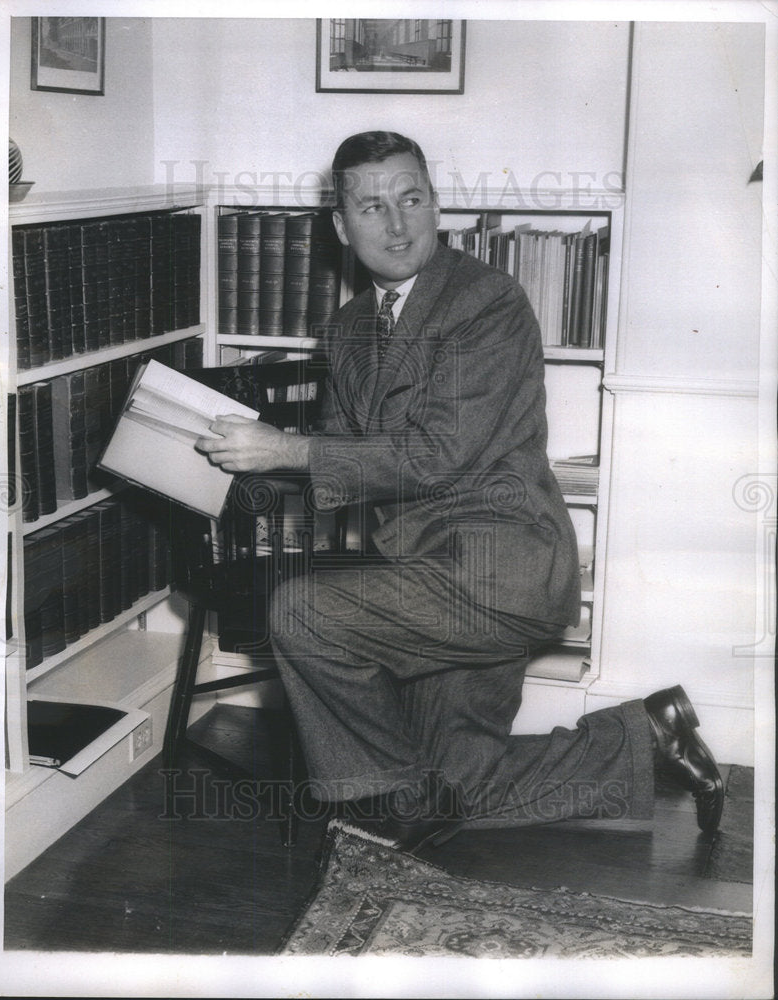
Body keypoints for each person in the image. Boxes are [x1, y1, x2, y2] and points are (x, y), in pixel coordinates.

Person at [196, 131, 724, 851]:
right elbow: (341, 451)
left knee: (303, 613)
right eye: (372, 206)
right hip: (422, 571)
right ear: (340, 225)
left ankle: (387, 800)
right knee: (456, 787)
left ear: (435, 205)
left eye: (412, 199)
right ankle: (646, 735)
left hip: (497, 570)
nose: (396, 224)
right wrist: (219, 453)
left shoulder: (484, 303)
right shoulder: (351, 327)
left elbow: (433, 456)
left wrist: (283, 450)